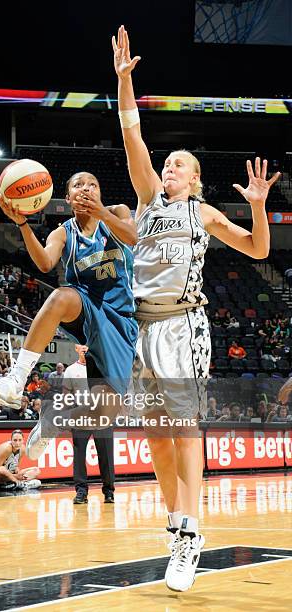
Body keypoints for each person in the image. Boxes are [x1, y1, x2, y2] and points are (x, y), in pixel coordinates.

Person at [112, 24, 280, 593]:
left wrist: (258, 207)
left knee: (184, 426)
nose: (168, 169)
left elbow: (259, 250)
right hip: (145, 326)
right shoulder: (144, 200)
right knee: (155, 434)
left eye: (179, 165)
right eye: (168, 165)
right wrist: (124, 81)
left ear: (196, 178)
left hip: (185, 323)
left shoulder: (203, 214)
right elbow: (131, 133)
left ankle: (191, 530)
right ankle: (178, 530)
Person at [0, 170, 138, 461]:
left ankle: (56, 420)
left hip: (120, 320)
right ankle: (16, 379)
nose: (86, 188)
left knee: (105, 412)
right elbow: (45, 263)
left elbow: (133, 237)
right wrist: (23, 224)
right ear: (67, 198)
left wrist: (101, 212)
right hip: (86, 308)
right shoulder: (64, 232)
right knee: (60, 295)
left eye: (93, 184)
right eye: (78, 185)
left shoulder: (116, 212)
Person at [63, 344, 115, 503]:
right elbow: (66, 394)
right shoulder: (70, 370)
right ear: (75, 348)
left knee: (106, 456)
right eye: (81, 345)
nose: (84, 348)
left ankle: (109, 491)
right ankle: (81, 492)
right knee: (79, 457)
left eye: (87, 344)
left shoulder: (103, 367)